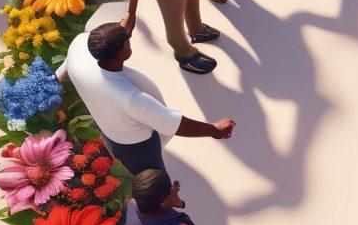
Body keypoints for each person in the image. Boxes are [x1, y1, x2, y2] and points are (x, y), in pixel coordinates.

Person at [56, 22, 235, 175]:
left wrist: (55, 81)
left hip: (106, 126)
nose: (129, 42)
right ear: (120, 51)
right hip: (135, 145)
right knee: (152, 177)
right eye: (127, 41)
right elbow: (174, 123)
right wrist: (215, 129)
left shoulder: (79, 46)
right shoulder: (130, 99)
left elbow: (64, 70)